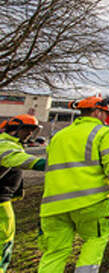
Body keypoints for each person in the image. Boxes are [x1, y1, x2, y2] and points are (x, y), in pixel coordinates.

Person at [38, 96, 109, 273]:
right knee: (94, 240)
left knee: (55, 253)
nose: (107, 118)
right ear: (97, 112)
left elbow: (49, 165)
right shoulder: (104, 133)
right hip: (90, 203)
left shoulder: (58, 136)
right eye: (106, 114)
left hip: (53, 206)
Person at [0, 114, 46, 273]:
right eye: (26, 130)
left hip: (5, 199)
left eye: (32, 131)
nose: (29, 134)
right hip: (1, 201)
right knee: (4, 241)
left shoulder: (11, 143)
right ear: (15, 130)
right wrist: (47, 164)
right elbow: (19, 160)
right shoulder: (5, 145)